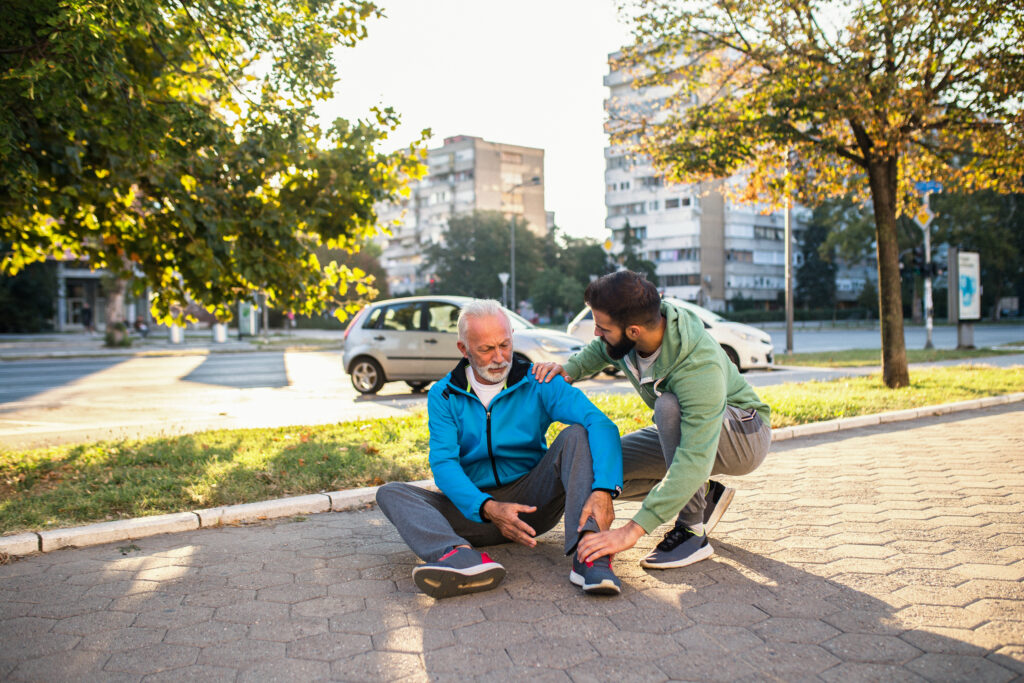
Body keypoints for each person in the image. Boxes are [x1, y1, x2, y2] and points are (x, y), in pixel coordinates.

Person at [376, 299, 624, 599]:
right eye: (485, 349)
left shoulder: (539, 380)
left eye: (505, 345)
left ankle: (591, 554)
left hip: (533, 505)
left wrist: (604, 489)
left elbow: (601, 424)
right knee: (391, 492)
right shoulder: (443, 395)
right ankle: (458, 557)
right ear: (464, 349)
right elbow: (444, 464)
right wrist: (489, 508)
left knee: (578, 433)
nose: (499, 358)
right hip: (474, 511)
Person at [534, 270, 771, 569]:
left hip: (745, 432)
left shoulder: (698, 365)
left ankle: (691, 531)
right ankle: (705, 496)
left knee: (668, 408)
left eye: (602, 327)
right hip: (691, 433)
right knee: (603, 468)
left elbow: (694, 458)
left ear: (633, 331)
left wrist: (631, 531)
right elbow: (602, 350)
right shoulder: (634, 335)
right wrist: (568, 371)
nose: (596, 333)